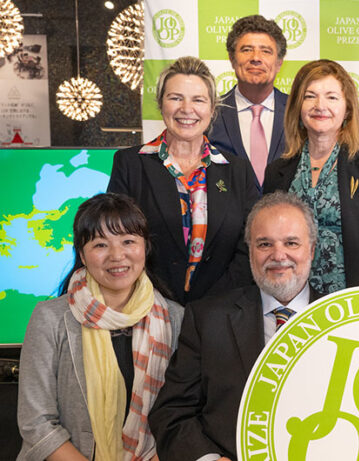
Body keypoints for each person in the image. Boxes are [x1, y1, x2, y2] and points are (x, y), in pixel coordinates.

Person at [149, 192, 321, 461]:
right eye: (264, 244)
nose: (278, 255)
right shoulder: (207, 319)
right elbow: (171, 413)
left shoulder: (350, 324)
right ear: (250, 251)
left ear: (311, 250)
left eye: (291, 243)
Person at [17, 193, 184, 461]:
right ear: (82, 255)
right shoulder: (50, 318)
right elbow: (36, 423)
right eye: (100, 245)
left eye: (128, 241)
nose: (117, 255)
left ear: (145, 247)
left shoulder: (176, 319)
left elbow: (182, 415)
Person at [108, 56, 258, 305]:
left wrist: (213, 305)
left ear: (212, 108)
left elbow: (251, 243)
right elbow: (117, 240)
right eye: (176, 98)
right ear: (160, 104)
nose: (187, 109)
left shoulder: (237, 170)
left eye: (198, 100)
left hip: (221, 308)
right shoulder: (130, 164)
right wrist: (156, 301)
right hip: (148, 307)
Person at [263, 59, 359, 294]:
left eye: (331, 97)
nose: (320, 106)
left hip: (353, 304)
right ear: (298, 106)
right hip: (292, 302)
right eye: (310, 96)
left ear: (347, 109)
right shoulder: (278, 172)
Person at [208, 15, 288, 190]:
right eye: (246, 50)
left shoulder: (298, 112)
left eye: (266, 51)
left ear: (279, 62)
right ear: (232, 59)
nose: (256, 58)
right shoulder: (210, 113)